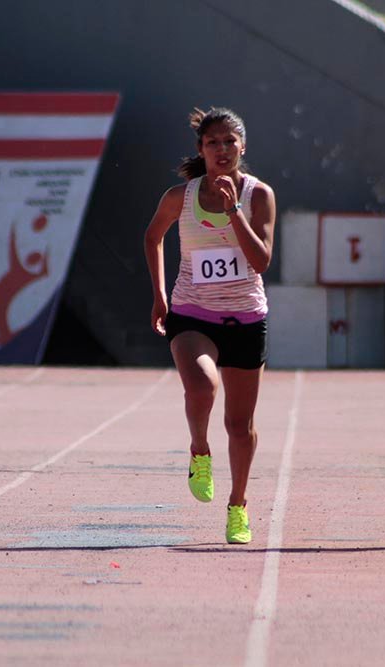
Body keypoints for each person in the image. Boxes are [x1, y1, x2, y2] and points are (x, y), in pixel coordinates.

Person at [143, 107, 276, 544]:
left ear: (243, 147)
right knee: (201, 387)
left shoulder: (258, 196)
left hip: (245, 318)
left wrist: (233, 208)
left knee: (240, 425)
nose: (222, 150)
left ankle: (237, 507)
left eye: (230, 142)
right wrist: (161, 293)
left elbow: (260, 261)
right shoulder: (178, 198)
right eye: (213, 142)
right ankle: (199, 449)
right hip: (192, 313)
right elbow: (153, 236)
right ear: (201, 150)